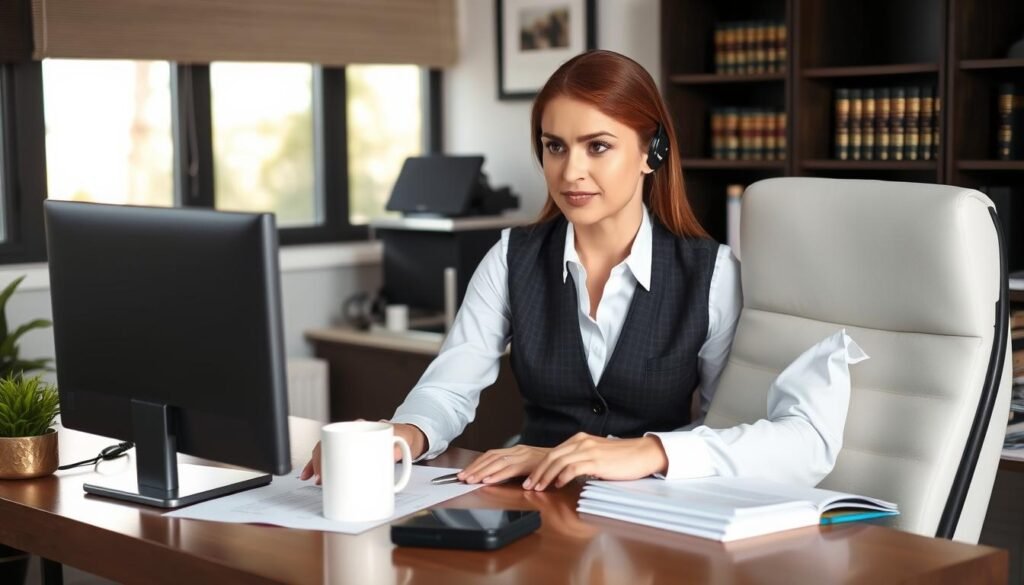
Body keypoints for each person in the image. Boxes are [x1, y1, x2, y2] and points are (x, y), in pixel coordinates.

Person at [301, 49, 841, 491]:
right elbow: (449, 389)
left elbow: (733, 427)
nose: (570, 171)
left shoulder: (714, 275)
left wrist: (645, 454)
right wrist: (402, 436)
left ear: (650, 152)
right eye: (555, 147)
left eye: (597, 146)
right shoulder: (511, 257)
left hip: (659, 509)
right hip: (537, 498)